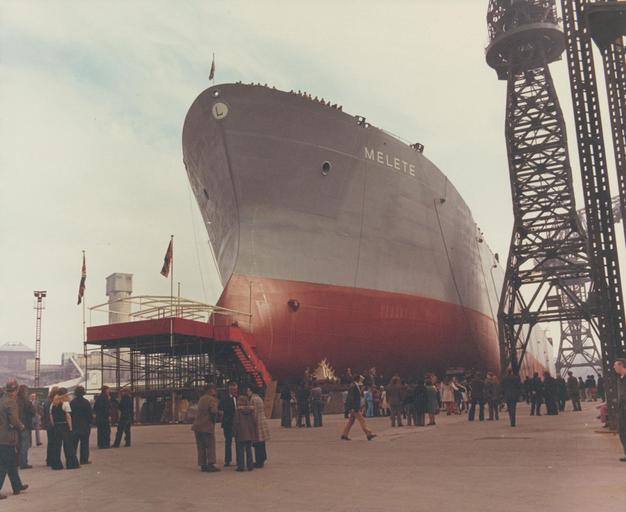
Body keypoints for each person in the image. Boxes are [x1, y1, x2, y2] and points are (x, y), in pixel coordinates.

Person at [0, 381, 27, 499]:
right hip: (8, 437)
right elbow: (14, 420)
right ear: (15, 391)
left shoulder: (2, 400)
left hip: (2, 436)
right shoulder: (11, 402)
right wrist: (22, 426)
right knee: (3, 464)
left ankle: (17, 486)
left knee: (11, 462)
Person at [191, 384, 220, 472]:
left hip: (197, 426)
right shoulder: (212, 399)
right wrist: (215, 418)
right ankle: (211, 464)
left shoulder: (201, 399)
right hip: (207, 426)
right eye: (214, 389)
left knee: (201, 446)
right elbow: (213, 411)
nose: (215, 391)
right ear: (210, 390)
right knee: (210, 445)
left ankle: (203, 464)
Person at [49, 387, 79, 470]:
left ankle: (56, 465)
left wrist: (54, 425)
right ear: (65, 394)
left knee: (57, 446)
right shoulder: (65, 403)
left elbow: (51, 416)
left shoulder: (53, 404)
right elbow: (68, 416)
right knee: (68, 445)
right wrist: (70, 427)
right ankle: (71, 464)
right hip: (64, 425)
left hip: (56, 426)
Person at [341, 376, 376, 441]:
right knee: (362, 420)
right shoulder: (354, 386)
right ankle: (368, 433)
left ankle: (344, 434)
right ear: (358, 379)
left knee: (351, 422)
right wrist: (353, 407)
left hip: (353, 407)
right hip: (355, 407)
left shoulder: (354, 385)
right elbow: (352, 397)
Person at [247, 386, 269, 468]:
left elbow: (254, 413)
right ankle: (262, 459)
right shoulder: (259, 398)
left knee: (257, 443)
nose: (247, 393)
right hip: (262, 421)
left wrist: (252, 423)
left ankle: (259, 461)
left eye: (248, 391)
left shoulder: (253, 399)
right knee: (262, 442)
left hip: (258, 423)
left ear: (251, 391)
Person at [70, 386, 92, 465]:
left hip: (75, 425)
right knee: (85, 443)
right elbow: (89, 414)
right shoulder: (86, 402)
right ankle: (84, 460)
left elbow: (70, 414)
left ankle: (73, 459)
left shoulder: (72, 402)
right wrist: (90, 422)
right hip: (85, 426)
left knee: (74, 444)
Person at [233, 395, 256, 472]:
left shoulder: (238, 411)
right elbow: (254, 421)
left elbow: (236, 422)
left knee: (240, 450)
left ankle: (241, 466)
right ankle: (250, 465)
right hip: (249, 432)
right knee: (249, 450)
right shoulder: (251, 410)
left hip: (240, 432)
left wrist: (234, 432)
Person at [219, 381, 238, 467]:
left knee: (239, 442)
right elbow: (220, 408)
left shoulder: (239, 398)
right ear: (229, 390)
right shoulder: (224, 399)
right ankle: (227, 460)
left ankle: (239, 459)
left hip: (237, 423)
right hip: (228, 423)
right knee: (228, 442)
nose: (235, 391)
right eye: (233, 389)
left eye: (236, 389)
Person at [16, 385, 34, 470]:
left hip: (17, 425)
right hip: (25, 425)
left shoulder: (15, 400)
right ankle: (23, 463)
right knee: (24, 445)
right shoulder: (27, 401)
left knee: (18, 444)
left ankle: (17, 462)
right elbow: (33, 412)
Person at [613, 359, 626, 462]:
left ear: (621, 365)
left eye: (615, 365)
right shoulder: (619, 378)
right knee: (622, 431)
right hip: (622, 409)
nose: (614, 367)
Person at [43, 387, 59, 465]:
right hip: (54, 424)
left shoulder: (46, 401)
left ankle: (49, 460)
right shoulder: (54, 401)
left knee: (50, 442)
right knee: (55, 443)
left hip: (48, 424)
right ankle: (53, 459)